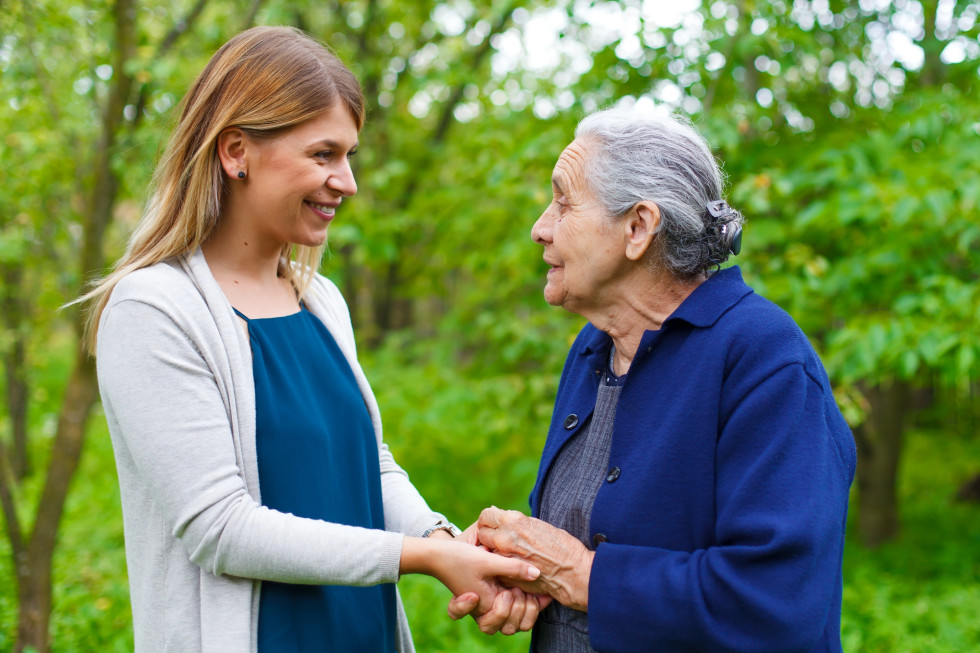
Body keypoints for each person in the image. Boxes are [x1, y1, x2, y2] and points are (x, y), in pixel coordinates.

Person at [83, 26, 541, 653]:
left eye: (349, 155)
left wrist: (443, 542)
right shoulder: (154, 312)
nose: (347, 181)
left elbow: (366, 465)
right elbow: (221, 529)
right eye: (323, 155)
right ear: (235, 151)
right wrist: (417, 559)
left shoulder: (321, 302)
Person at [458, 106, 857, 652]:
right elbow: (593, 540)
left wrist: (582, 575)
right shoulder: (594, 348)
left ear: (638, 227)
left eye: (564, 201)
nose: (540, 228)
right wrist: (527, 571)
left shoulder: (763, 358)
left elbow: (778, 602)